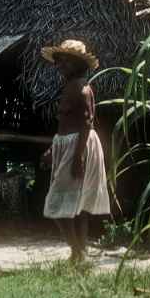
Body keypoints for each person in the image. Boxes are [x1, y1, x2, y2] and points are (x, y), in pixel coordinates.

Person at [40, 39, 110, 263]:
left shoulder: (82, 88)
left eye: (66, 62)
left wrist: (78, 155)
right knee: (75, 204)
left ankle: (78, 250)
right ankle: (78, 252)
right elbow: (65, 123)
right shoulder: (70, 86)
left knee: (62, 203)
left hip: (79, 145)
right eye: (59, 62)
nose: (60, 66)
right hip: (67, 144)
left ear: (78, 64)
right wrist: (53, 149)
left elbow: (86, 123)